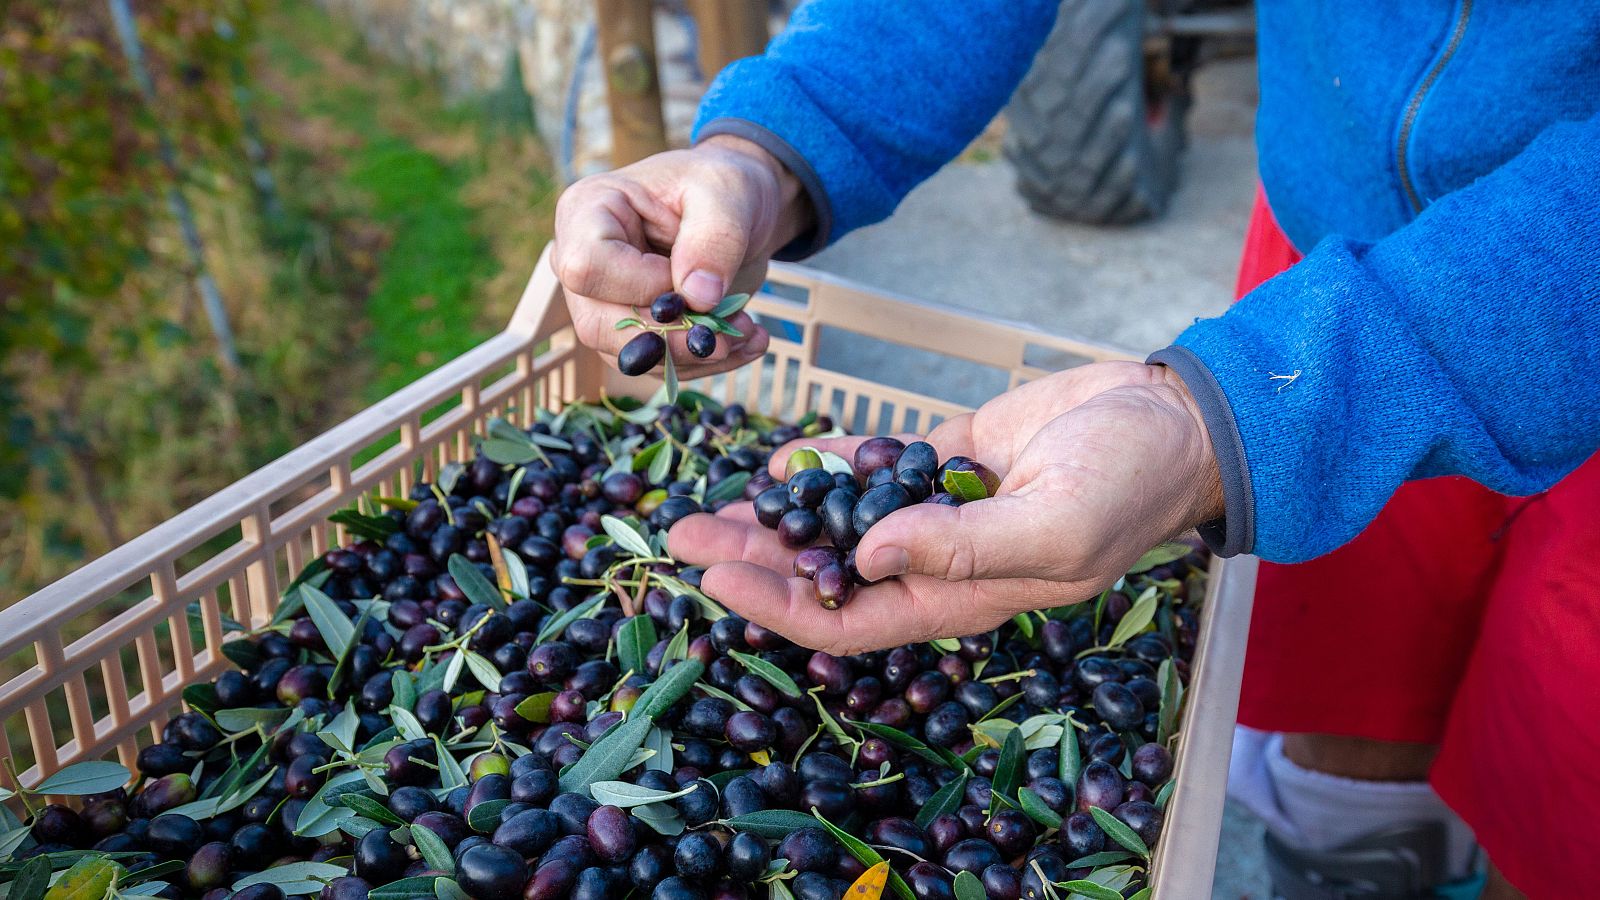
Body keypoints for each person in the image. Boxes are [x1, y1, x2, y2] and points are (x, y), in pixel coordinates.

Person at [548, 3, 1600, 897]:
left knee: (1559, 785)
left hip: (1546, 294)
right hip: (1328, 276)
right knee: (1349, 706)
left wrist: (1219, 419)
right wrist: (769, 147)